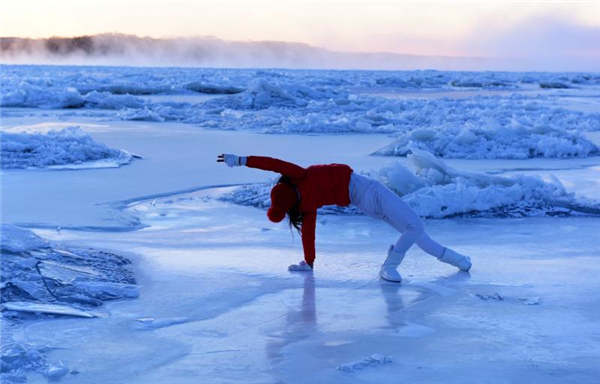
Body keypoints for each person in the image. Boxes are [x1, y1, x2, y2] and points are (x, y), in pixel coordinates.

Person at [217, 154, 471, 282]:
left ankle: (459, 261)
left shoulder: (305, 204)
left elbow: (309, 232)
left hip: (364, 204)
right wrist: (240, 160)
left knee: (414, 232)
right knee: (415, 226)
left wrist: (309, 262)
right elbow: (274, 164)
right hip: (370, 192)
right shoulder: (299, 177)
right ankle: (389, 266)